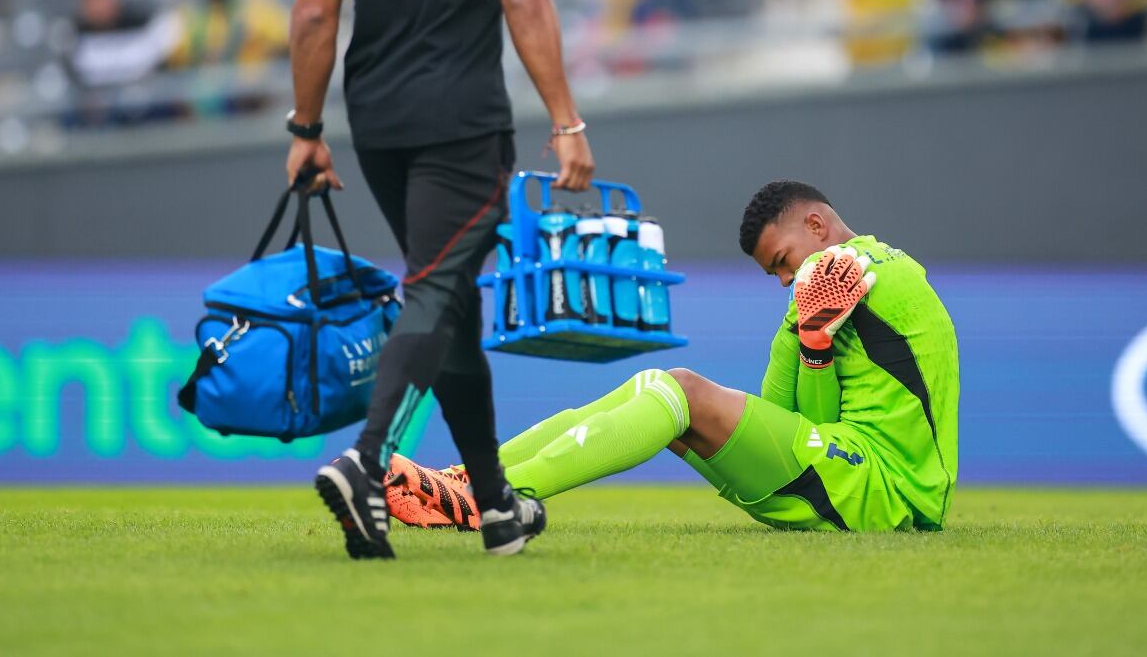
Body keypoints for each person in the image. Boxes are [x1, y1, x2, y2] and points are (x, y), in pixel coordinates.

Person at [289, 0, 595, 560]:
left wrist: (306, 130)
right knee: (433, 287)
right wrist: (567, 121)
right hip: (462, 124)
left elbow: (316, 12)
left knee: (449, 301)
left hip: (376, 127)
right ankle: (367, 462)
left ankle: (495, 507)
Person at [384, 179, 960, 535]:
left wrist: (811, 344)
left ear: (816, 225)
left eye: (784, 261)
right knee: (653, 389)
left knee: (678, 391)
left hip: (885, 490)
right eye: (775, 273)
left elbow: (808, 425)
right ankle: (472, 477)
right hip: (847, 477)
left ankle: (495, 496)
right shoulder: (827, 292)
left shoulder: (852, 271)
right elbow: (786, 418)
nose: (786, 280)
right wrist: (809, 344)